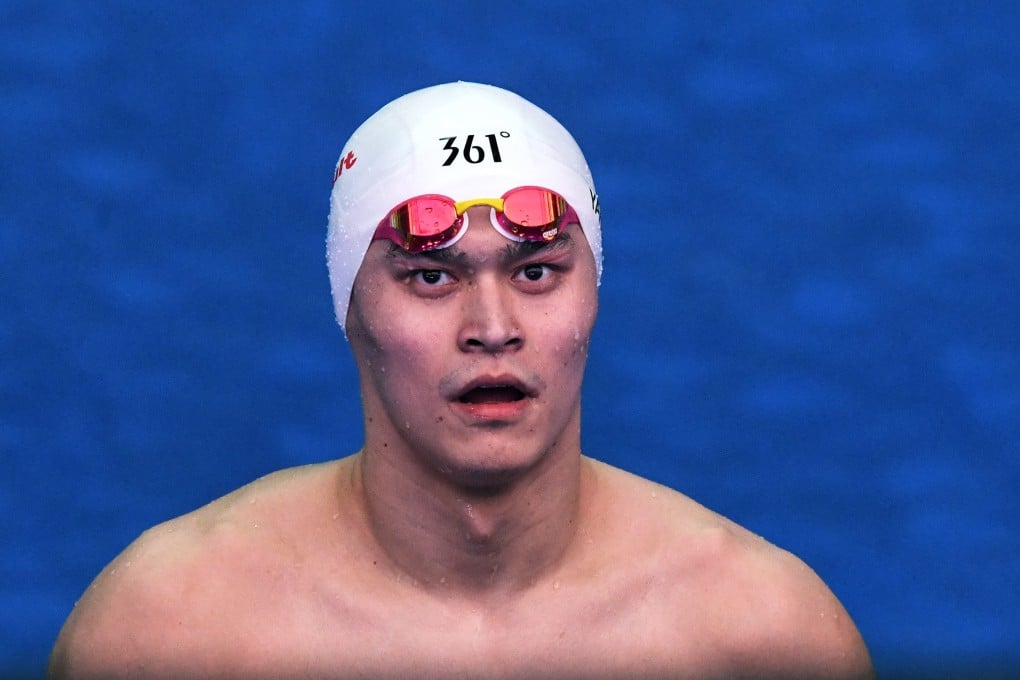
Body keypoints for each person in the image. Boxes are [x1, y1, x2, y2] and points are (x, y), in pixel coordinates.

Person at [47, 82, 874, 679]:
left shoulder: (760, 634)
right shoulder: (172, 632)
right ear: (349, 306)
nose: (493, 326)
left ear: (595, 293)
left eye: (539, 272)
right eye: (431, 278)